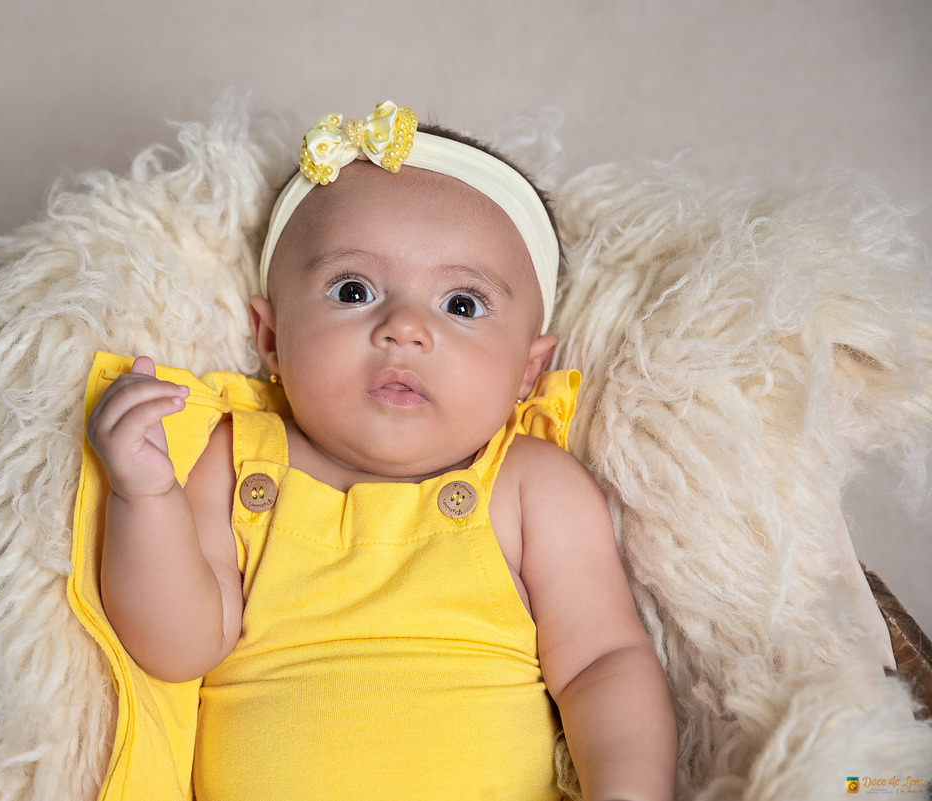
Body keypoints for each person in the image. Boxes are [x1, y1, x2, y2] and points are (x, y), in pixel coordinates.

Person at [85, 101, 677, 800]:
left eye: (461, 304)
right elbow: (175, 647)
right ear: (271, 338)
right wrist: (144, 497)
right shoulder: (236, 459)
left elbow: (602, 660)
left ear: (527, 370)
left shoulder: (531, 484)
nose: (404, 328)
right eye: (354, 289)